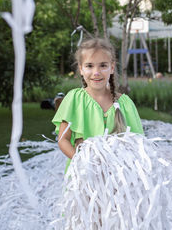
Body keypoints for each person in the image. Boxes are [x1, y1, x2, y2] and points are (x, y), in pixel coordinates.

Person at [52, 38, 143, 172]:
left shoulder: (125, 104)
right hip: (83, 177)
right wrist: (83, 163)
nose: (96, 72)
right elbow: (63, 140)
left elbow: (138, 144)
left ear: (112, 67)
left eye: (103, 65)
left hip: (118, 180)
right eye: (89, 66)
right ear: (81, 69)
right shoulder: (74, 99)